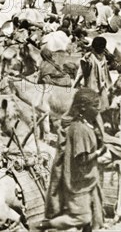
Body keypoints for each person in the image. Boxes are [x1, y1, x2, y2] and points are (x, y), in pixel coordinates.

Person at [38, 88, 106, 231]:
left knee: (93, 219)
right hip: (79, 183)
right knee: (82, 218)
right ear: (83, 107)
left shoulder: (85, 125)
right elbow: (82, 159)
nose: (98, 109)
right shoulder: (79, 129)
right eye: (95, 106)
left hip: (88, 180)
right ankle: (41, 226)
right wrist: (100, 152)